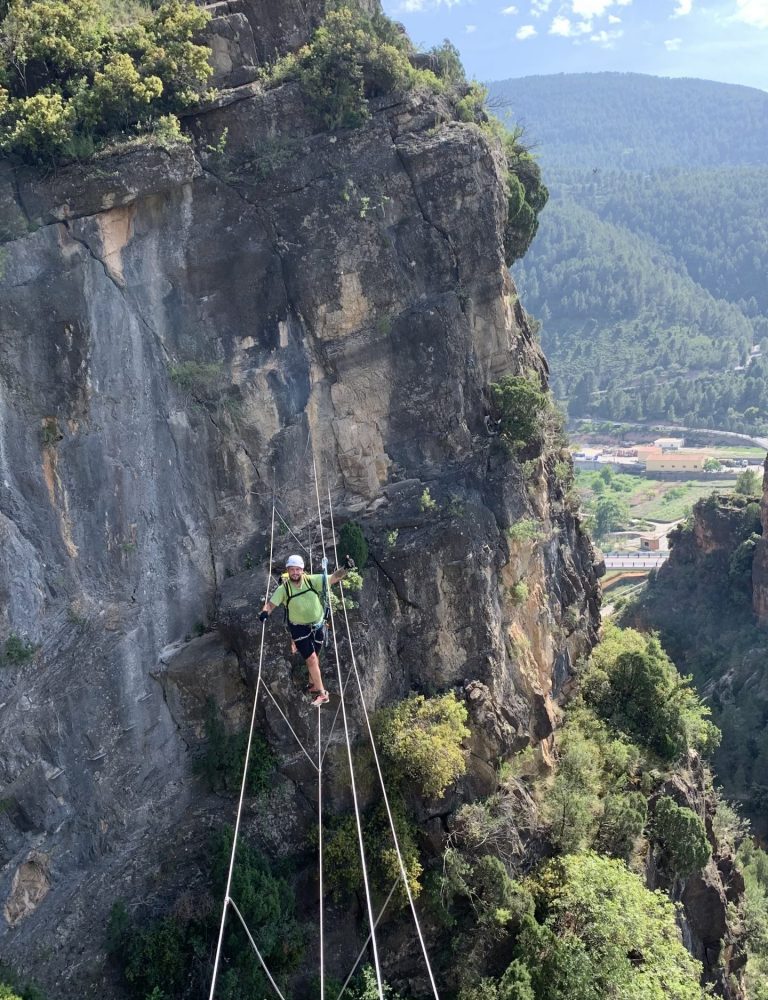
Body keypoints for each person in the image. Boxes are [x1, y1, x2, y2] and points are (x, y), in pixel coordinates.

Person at [259, 554, 348, 707]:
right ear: (288, 570)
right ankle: (322, 694)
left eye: (297, 569)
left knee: (314, 657)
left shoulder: (311, 580)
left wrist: (345, 569)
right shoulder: (284, 589)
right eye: (292, 569)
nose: (294, 572)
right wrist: (265, 612)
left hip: (318, 625)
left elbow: (333, 578)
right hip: (299, 628)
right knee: (312, 659)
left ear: (302, 570)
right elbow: (271, 605)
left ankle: (313, 684)